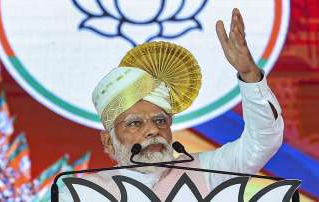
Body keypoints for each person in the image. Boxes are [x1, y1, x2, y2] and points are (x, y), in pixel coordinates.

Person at [59, 8, 283, 201]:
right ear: (108, 141)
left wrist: (249, 74)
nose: (153, 130)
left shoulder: (205, 171)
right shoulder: (85, 194)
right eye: (135, 123)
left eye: (160, 121)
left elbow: (263, 141)